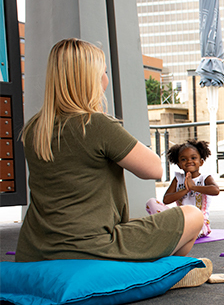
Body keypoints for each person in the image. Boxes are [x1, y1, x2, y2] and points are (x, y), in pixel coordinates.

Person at [17, 38, 211, 288]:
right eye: (103, 72)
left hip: (35, 249)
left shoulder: (35, 127)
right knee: (193, 216)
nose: (106, 79)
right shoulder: (95, 124)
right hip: (92, 246)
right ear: (91, 79)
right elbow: (154, 169)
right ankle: (153, 277)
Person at [146, 139, 220, 237]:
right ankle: (177, 230)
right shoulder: (178, 179)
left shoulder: (205, 178)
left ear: (201, 162)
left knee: (193, 228)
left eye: (193, 158)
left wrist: (193, 187)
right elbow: (166, 199)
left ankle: (185, 233)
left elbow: (215, 190)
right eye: (184, 159)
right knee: (151, 202)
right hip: (180, 219)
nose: (189, 161)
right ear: (179, 165)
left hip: (198, 221)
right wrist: (186, 189)